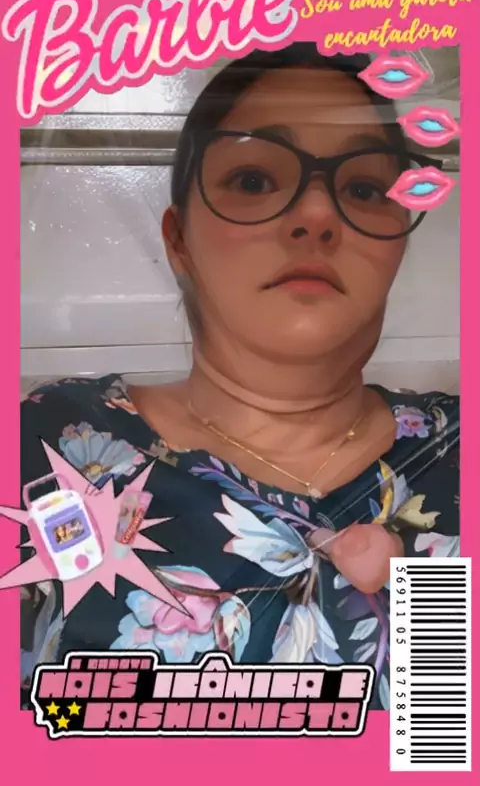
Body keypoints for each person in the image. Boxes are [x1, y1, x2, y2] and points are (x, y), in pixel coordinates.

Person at [20, 43, 459, 710]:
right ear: (179, 240)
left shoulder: (457, 454)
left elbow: (438, 738)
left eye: (364, 189)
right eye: (254, 180)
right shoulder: (44, 448)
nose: (317, 215)